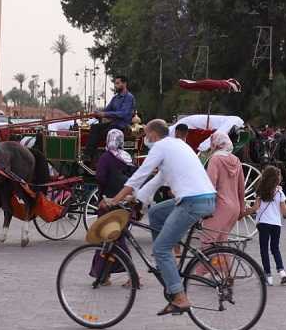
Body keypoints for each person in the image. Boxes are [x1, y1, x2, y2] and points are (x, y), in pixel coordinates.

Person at [103, 119, 215, 316]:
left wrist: (115, 200)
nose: (145, 138)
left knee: (161, 248)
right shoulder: (177, 145)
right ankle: (165, 264)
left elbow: (139, 175)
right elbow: (157, 180)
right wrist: (136, 198)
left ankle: (179, 297)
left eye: (145, 134)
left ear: (153, 135)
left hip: (191, 201)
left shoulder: (161, 147)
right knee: (155, 213)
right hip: (205, 198)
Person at [90, 129, 136, 286]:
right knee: (115, 238)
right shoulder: (127, 157)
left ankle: (131, 276)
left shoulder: (106, 158)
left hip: (109, 203)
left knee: (110, 238)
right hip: (126, 203)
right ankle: (105, 276)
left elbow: (100, 178)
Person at [201, 131, 245, 245]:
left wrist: (204, 207)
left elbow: (210, 185)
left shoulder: (215, 159)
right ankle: (225, 263)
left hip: (219, 207)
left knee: (207, 244)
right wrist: (242, 208)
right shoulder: (236, 160)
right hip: (234, 208)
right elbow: (241, 187)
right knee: (222, 243)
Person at [246, 165, 286, 286]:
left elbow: (255, 208)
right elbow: (285, 212)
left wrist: (244, 213)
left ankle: (268, 275)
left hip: (263, 223)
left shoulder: (260, 191)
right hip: (276, 224)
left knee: (264, 249)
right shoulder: (279, 192)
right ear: (276, 179)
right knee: (275, 248)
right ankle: (282, 271)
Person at [85, 76, 136, 165]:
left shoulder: (129, 97)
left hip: (122, 126)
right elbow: (107, 110)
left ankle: (100, 161)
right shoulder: (115, 98)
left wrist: (104, 114)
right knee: (95, 127)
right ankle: (88, 156)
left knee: (102, 133)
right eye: (115, 84)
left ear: (124, 84)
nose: (116, 86)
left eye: (117, 83)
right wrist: (97, 113)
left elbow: (123, 114)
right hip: (113, 124)